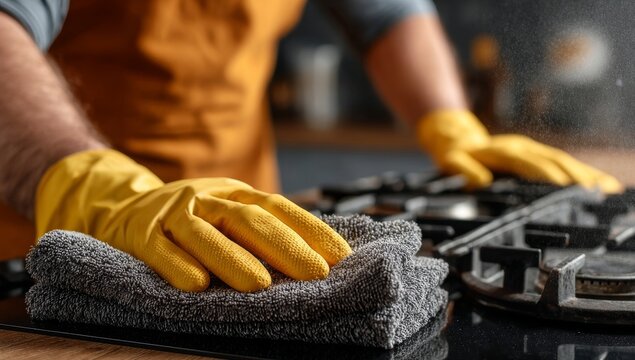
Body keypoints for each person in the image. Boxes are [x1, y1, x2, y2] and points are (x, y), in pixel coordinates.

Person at [0, 1, 621, 292]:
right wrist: (95, 191)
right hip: (48, 240)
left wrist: (450, 123)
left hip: (246, 233)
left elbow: (387, 13)